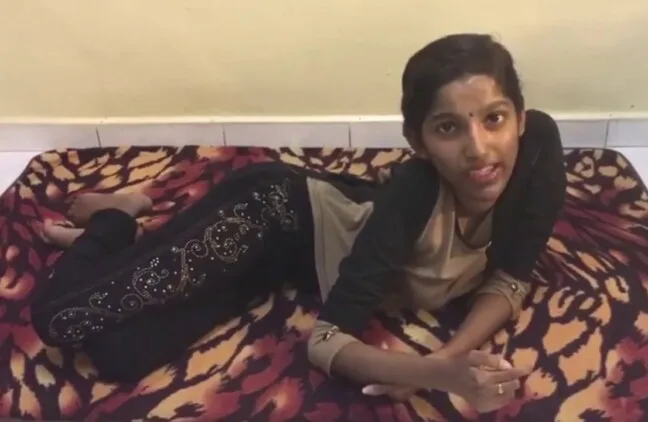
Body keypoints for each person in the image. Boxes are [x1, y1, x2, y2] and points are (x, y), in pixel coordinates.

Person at [29, 33, 565, 413]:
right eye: (448, 128)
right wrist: (431, 373)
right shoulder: (415, 191)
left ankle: (144, 237)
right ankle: (116, 219)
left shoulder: (537, 149)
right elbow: (327, 339)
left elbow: (511, 278)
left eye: (495, 119)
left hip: (283, 269)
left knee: (117, 356)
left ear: (519, 118)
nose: (479, 149)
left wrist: (448, 358)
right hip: (273, 212)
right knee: (64, 320)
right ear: (418, 143)